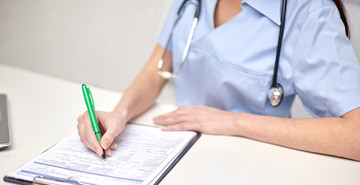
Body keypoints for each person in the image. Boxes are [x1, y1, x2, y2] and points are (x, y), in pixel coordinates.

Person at [77, 0, 360, 161]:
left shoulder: (310, 12)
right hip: (175, 153)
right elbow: (156, 71)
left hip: (255, 167)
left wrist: (233, 122)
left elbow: (355, 136)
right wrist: (119, 113)